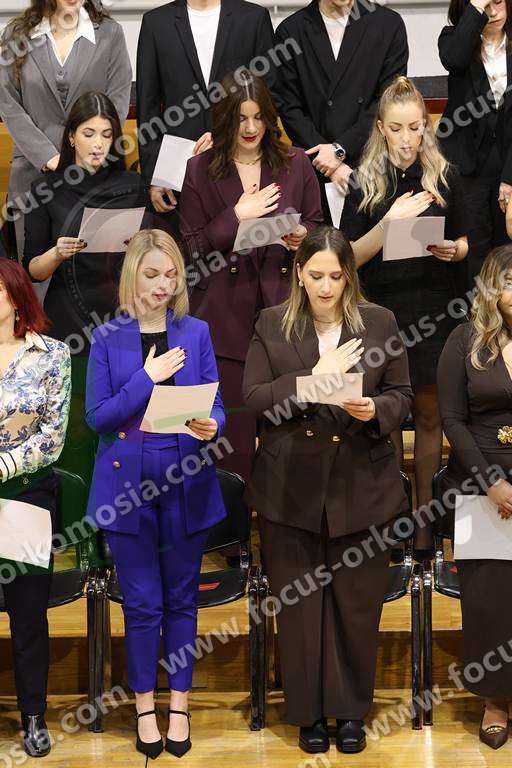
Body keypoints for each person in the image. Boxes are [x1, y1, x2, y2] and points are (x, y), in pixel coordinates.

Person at [242, 225, 412, 753]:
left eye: (336, 277)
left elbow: (402, 395)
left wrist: (375, 408)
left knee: (355, 608)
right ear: (299, 274)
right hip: (290, 490)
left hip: (362, 485)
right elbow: (255, 398)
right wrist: (315, 378)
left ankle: (350, 712)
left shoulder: (380, 321)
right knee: (300, 611)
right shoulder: (271, 322)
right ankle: (309, 714)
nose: (325, 287)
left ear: (349, 278)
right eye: (316, 275)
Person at [85, 228, 226, 761]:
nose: (163, 284)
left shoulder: (197, 331)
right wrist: (146, 378)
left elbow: (216, 404)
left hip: (185, 478)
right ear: (133, 278)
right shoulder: (107, 337)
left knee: (181, 599)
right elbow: (99, 417)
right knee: (143, 603)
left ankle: (179, 705)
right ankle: (145, 706)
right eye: (151, 274)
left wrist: (212, 424)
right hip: (128, 486)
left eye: (171, 274)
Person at [340, 75, 468, 551]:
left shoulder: (444, 175)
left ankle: (425, 530)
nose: (407, 139)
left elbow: (466, 241)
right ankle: (394, 526)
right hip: (384, 313)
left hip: (435, 310)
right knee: (389, 419)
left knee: (431, 420)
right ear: (380, 128)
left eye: (415, 128)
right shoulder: (364, 181)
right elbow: (346, 258)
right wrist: (389, 222)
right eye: (397, 129)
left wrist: (454, 250)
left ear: (425, 126)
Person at [180, 70, 323, 480]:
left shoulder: (296, 162)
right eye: (241, 118)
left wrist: (302, 237)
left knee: (291, 439)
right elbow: (191, 249)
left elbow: (317, 225)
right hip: (224, 320)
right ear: (225, 119)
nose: (250, 127)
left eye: (259, 117)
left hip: (284, 313)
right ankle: (234, 521)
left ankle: (285, 519)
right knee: (233, 445)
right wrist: (237, 215)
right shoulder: (199, 169)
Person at [437, 244, 512, 749]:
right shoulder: (463, 340)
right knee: (487, 602)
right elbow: (452, 419)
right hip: (477, 488)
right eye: (508, 281)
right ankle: (494, 700)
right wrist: (491, 482)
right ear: (490, 287)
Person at [0, 259, 71, 758]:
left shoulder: (52, 355)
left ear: (15, 295)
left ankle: (33, 716)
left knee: (28, 616)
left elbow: (52, 437)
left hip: (26, 496)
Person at [0, 0, 131, 257]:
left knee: (93, 267)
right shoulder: (16, 35)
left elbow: (118, 99)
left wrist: (88, 151)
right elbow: (7, 103)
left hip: (93, 176)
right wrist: (48, 157)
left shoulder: (110, 33)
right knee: (34, 269)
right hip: (32, 174)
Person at [23, 91, 149, 356]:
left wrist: (139, 247)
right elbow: (32, 270)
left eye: (106, 135)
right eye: (89, 134)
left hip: (122, 311)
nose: (98, 144)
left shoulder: (133, 185)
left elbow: (151, 253)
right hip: (66, 316)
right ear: (71, 136)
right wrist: (56, 254)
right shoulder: (46, 189)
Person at [136, 0, 277, 235]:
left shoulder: (253, 18)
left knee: (244, 248)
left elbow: (267, 95)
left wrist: (224, 134)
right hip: (176, 175)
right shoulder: (156, 23)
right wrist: (155, 175)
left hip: (243, 166)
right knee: (185, 251)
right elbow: (147, 105)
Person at [273, 0, 408, 220]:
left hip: (371, 164)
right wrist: (329, 160)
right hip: (315, 167)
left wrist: (341, 149)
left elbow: (387, 100)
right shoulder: (291, 31)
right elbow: (289, 106)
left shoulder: (388, 24)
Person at [438, 0, 512, 287]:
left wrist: (509, 178)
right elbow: (454, 58)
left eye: (497, 2)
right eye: (484, 4)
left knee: (506, 253)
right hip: (466, 166)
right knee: (473, 256)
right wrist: (476, 9)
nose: (492, 12)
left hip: (506, 164)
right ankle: (471, 316)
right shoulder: (453, 39)